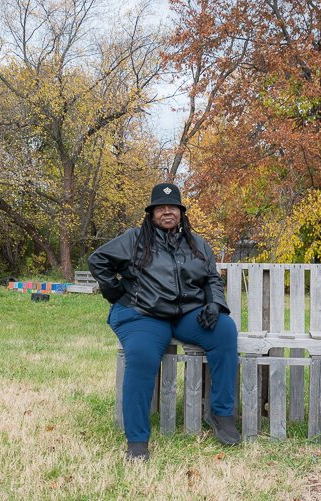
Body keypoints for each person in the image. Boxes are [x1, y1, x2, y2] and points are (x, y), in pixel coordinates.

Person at [88, 182, 240, 461]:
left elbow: (211, 279)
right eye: (161, 207)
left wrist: (215, 304)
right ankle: (137, 439)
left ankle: (221, 413)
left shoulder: (197, 244)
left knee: (225, 331)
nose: (167, 212)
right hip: (143, 313)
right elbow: (98, 260)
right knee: (143, 355)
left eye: (173, 207)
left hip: (185, 314)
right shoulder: (134, 239)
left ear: (181, 212)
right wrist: (116, 291)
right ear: (151, 213)